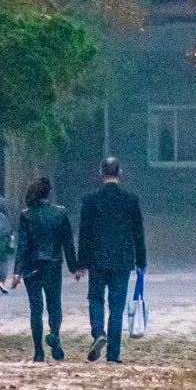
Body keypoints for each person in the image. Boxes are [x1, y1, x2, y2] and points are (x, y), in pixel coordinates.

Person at [78, 156, 146, 364]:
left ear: (101, 173)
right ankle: (114, 354)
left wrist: (81, 263)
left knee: (96, 299)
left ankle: (98, 332)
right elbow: (138, 233)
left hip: (97, 259)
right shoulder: (130, 200)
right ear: (120, 173)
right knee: (116, 306)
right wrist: (141, 261)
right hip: (122, 260)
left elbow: (84, 233)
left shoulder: (90, 199)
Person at [12, 177, 78, 362]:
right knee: (54, 304)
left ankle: (38, 351)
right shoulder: (60, 213)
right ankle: (55, 335)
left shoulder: (26, 215)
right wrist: (74, 267)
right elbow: (68, 243)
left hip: (31, 267)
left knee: (36, 309)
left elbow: (22, 246)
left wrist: (17, 272)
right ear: (49, 193)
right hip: (53, 264)